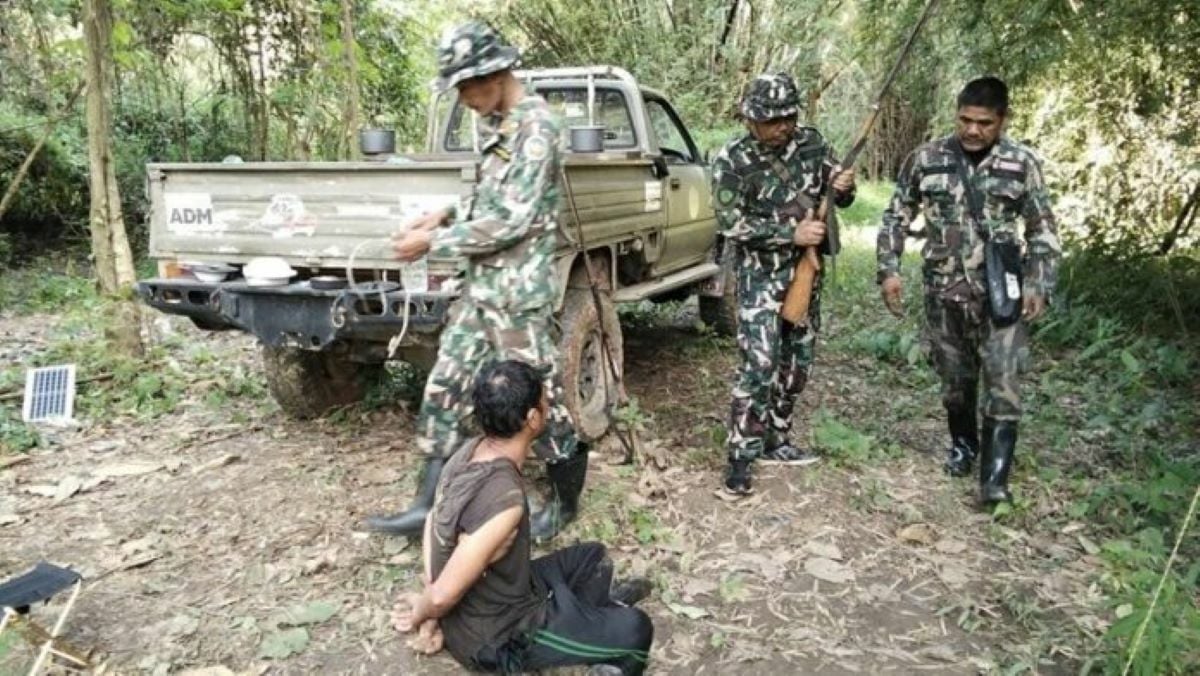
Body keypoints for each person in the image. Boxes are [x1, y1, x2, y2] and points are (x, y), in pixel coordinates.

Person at [367, 21, 586, 541]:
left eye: (467, 86)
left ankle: (565, 503)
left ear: (495, 74)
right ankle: (428, 503)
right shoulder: (498, 122)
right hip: (480, 290)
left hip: (516, 298)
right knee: (445, 385)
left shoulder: (536, 129)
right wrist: (440, 216)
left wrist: (431, 245)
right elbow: (487, 199)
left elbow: (512, 221)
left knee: (541, 402)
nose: (464, 99)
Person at [393, 360, 654, 675]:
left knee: (593, 558)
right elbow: (443, 595)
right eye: (544, 400)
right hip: (498, 637)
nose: (548, 405)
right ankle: (597, 634)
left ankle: (587, 619)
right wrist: (426, 612)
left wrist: (435, 592)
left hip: (509, 592)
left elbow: (435, 521)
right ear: (532, 418)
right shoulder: (504, 503)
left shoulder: (466, 453)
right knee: (637, 630)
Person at [876, 76, 1060, 504]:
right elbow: (895, 215)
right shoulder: (926, 158)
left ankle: (994, 482)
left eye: (985, 123)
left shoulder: (1021, 163)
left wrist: (1039, 282)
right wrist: (888, 270)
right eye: (965, 120)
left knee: (1004, 378)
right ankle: (964, 446)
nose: (973, 130)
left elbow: (1042, 228)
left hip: (1002, 294)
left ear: (1002, 120)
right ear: (956, 114)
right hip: (944, 293)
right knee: (955, 382)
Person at [711, 72, 856, 495]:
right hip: (759, 277)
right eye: (771, 120)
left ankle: (778, 438)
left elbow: (839, 193)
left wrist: (844, 187)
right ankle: (740, 456)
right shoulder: (733, 159)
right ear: (749, 119)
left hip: (806, 274)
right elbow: (729, 223)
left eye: (788, 117)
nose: (782, 127)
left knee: (797, 364)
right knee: (759, 364)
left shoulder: (813, 145)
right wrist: (788, 234)